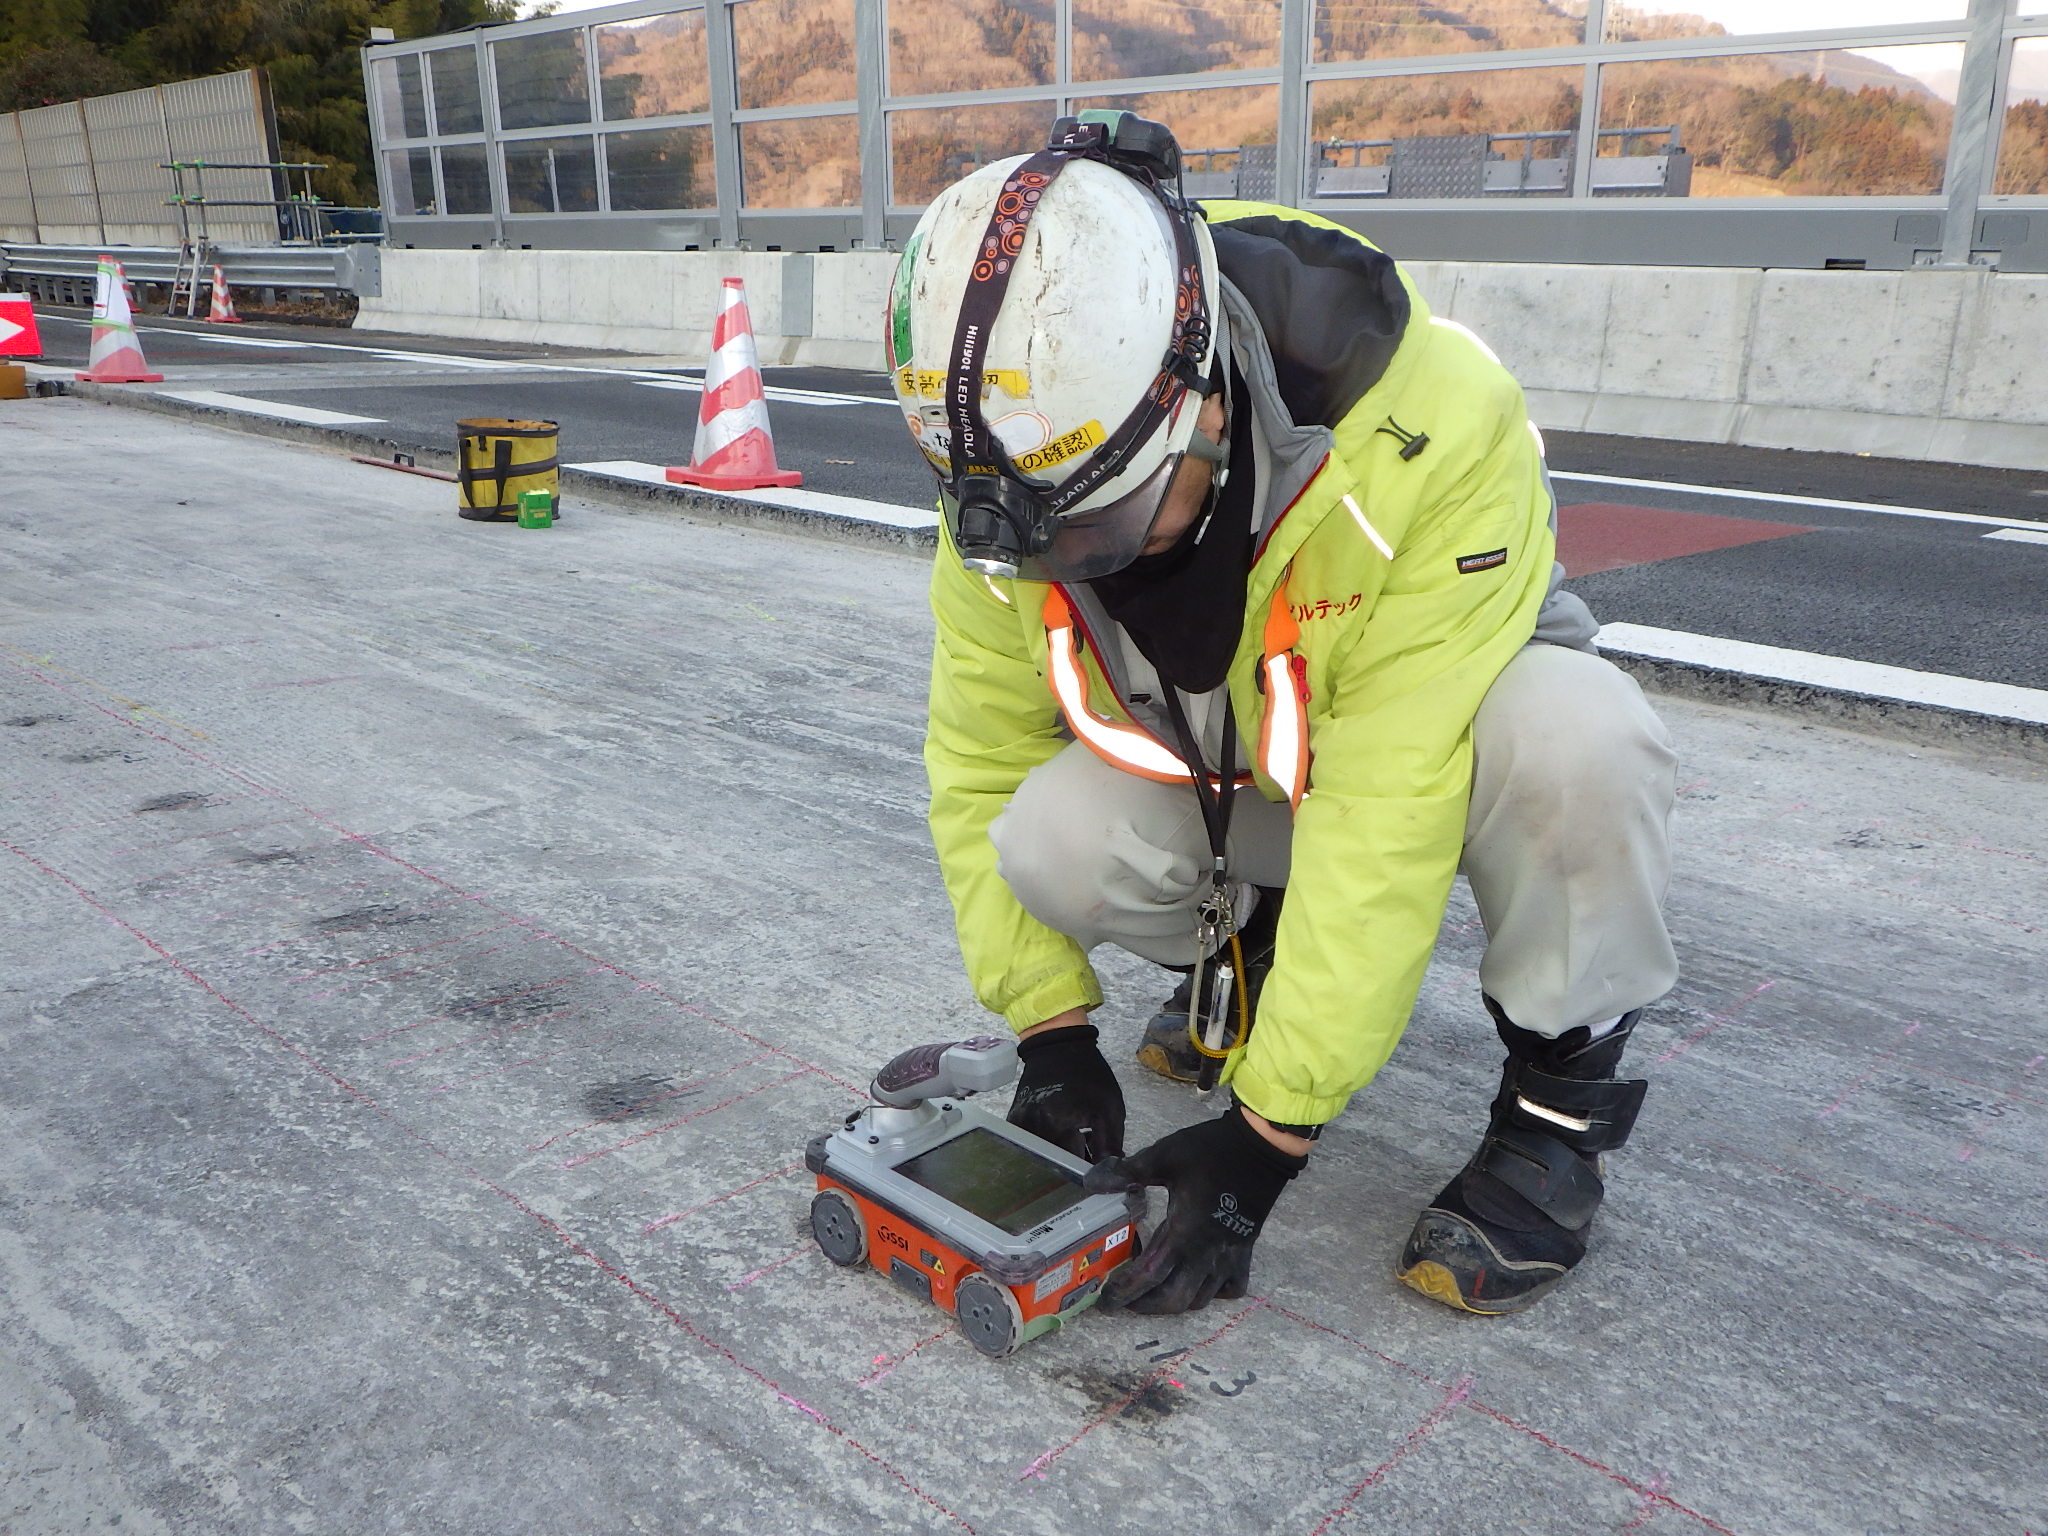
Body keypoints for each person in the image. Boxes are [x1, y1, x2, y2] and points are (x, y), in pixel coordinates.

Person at [891, 113, 1677, 1317]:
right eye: (1039, 534)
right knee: (1044, 836)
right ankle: (1245, 947)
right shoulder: (1013, 476)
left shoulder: (1425, 427)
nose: (1072, 563)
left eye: (1105, 524)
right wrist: (1048, 1032)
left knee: (1578, 739)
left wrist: (1266, 1139)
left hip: (1429, 764)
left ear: (1200, 402)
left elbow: (1383, 815)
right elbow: (979, 758)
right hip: (1248, 769)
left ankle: (1554, 1109)